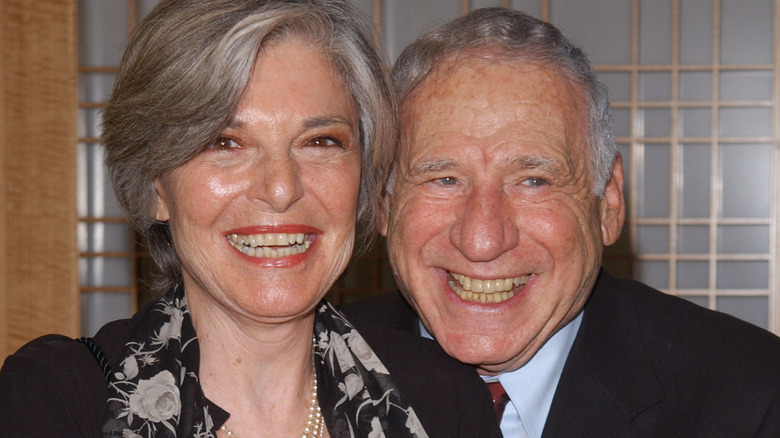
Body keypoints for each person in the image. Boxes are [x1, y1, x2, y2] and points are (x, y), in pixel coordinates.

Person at [0, 1, 501, 437]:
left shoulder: (442, 400)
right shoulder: (55, 399)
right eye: (225, 142)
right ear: (157, 188)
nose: (281, 188)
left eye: (321, 141)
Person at [341, 7, 780, 437]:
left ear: (608, 202)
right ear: (384, 203)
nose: (482, 239)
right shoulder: (305, 372)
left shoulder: (752, 397)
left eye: (534, 181)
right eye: (444, 179)